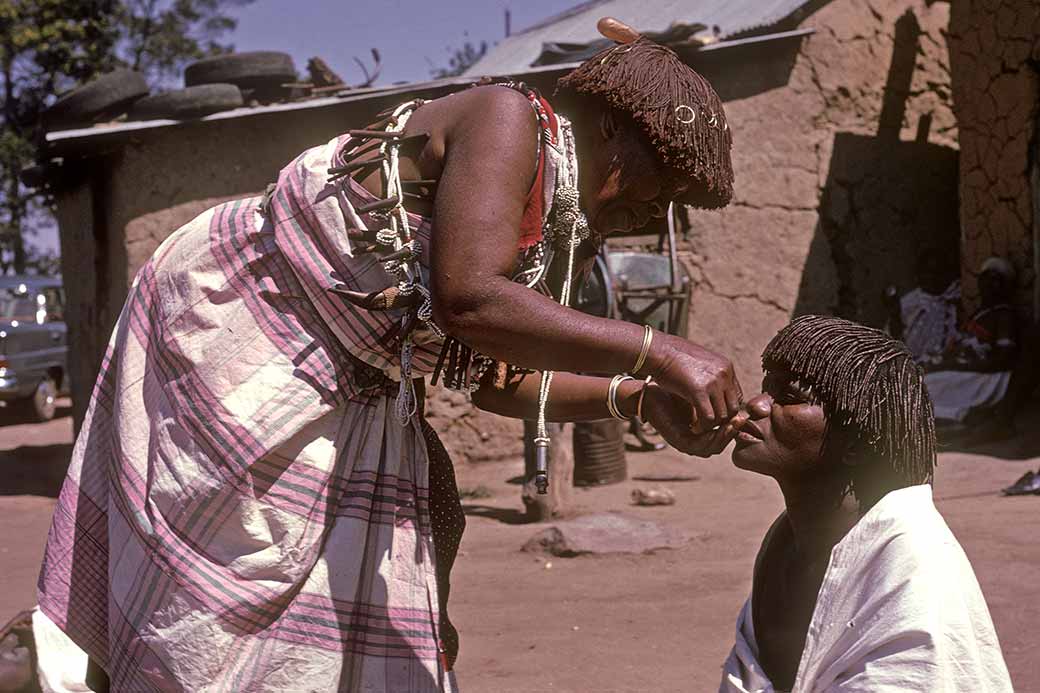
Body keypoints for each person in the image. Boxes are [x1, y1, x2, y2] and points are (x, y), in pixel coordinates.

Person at [38, 18, 743, 692]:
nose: (659, 215)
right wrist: (661, 350)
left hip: (346, 381)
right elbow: (469, 299)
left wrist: (637, 398)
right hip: (244, 328)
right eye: (663, 184)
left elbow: (498, 377)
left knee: (387, 557)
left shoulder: (562, 232)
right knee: (228, 583)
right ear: (612, 128)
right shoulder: (510, 120)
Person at [719, 315, 1012, 692]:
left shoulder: (912, 569)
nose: (757, 404)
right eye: (765, 388)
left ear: (855, 444)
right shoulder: (785, 543)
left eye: (789, 397)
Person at [923, 256, 1018, 424]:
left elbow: (1003, 360)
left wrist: (957, 365)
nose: (990, 285)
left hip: (986, 378)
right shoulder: (978, 314)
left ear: (1005, 287)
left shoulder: (1004, 315)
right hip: (966, 370)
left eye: (997, 281)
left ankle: (960, 415)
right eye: (987, 279)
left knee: (924, 387)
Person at [884, 251, 960, 366]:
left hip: (942, 367)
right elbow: (892, 340)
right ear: (918, 276)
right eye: (928, 272)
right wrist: (895, 315)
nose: (933, 277)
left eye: (938, 272)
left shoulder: (951, 301)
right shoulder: (909, 304)